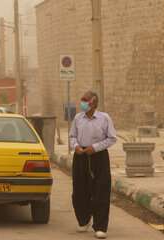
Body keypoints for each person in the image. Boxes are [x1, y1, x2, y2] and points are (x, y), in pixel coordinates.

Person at [69, 91, 117, 239]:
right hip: (81, 156)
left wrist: (95, 147)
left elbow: (112, 138)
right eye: (82, 100)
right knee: (79, 191)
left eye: (85, 100)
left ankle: (100, 226)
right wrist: (75, 146)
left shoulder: (104, 118)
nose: (82, 103)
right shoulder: (78, 118)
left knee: (100, 191)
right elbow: (72, 136)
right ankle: (83, 220)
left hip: (99, 157)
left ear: (93, 103)